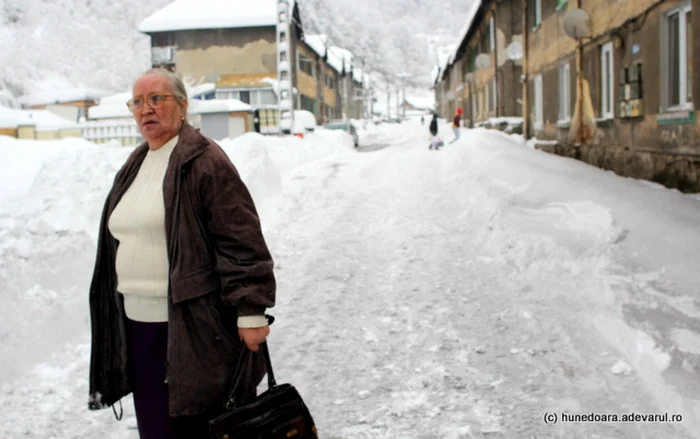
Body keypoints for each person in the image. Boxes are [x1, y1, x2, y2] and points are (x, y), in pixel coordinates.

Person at [88, 68, 275, 438]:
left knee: (198, 426)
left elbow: (240, 237)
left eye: (158, 99)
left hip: (192, 328)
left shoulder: (203, 160)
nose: (146, 109)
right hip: (138, 328)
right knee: (158, 428)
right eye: (138, 102)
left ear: (183, 105)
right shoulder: (136, 164)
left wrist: (251, 309)